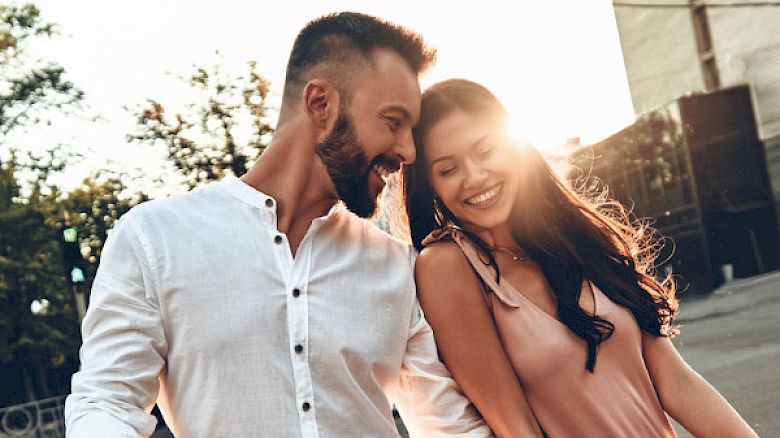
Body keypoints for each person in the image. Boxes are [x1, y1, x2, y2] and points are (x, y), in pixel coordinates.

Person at [65, 14, 493, 437]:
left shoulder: (394, 263)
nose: (407, 151)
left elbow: (449, 426)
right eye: (393, 122)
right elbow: (107, 402)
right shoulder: (153, 239)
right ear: (320, 104)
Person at [403, 78, 758, 438]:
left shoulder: (577, 240)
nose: (475, 177)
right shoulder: (447, 266)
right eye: (448, 169)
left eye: (485, 151)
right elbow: (515, 428)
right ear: (430, 185)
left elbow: (676, 382)